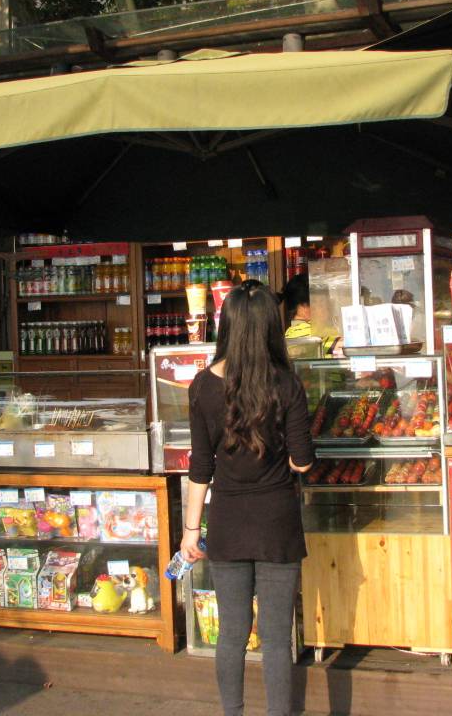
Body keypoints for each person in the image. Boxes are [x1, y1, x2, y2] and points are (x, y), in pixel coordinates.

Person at [183, 280, 314, 716]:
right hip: (277, 520)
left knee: (231, 634)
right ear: (269, 327)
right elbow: (301, 462)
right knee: (276, 639)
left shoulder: (202, 386)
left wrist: (190, 531)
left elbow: (201, 466)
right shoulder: (287, 384)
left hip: (227, 522)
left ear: (228, 326)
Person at [280, 273, 340, 356]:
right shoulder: (314, 334)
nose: (329, 307)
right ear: (304, 307)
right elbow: (341, 347)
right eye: (322, 302)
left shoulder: (289, 333)